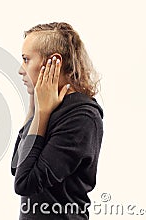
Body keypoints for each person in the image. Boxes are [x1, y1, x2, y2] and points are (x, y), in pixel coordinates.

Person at [11, 22, 104, 219]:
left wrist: (41, 114)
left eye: (26, 59)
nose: (21, 70)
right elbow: (16, 165)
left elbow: (24, 182)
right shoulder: (48, 108)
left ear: (54, 62)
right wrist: (34, 108)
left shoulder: (81, 117)